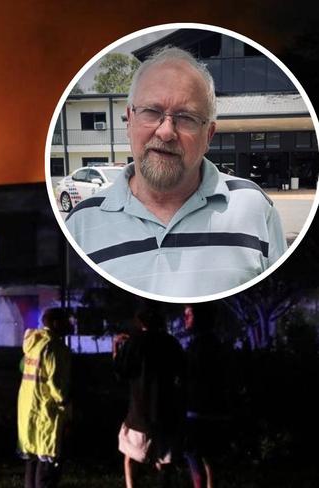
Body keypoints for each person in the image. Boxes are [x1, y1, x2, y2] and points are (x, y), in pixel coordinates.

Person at [66, 46, 287, 297]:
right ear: (129, 120)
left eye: (186, 117)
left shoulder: (255, 209)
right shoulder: (81, 225)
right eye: (152, 112)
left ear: (209, 135)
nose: (166, 132)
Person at [114, 305, 185, 488]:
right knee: (164, 461)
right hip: (166, 413)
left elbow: (120, 373)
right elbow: (183, 372)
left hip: (139, 414)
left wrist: (116, 349)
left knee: (130, 458)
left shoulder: (134, 343)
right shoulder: (171, 343)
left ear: (140, 322)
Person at [17, 308, 72, 488]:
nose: (70, 324)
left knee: (32, 462)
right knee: (47, 467)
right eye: (66, 321)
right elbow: (57, 386)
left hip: (29, 410)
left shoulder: (34, 343)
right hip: (47, 412)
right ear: (56, 323)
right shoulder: (55, 347)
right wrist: (66, 408)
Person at [182, 303, 231, 488]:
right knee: (210, 460)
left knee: (195, 457)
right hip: (216, 412)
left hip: (199, 413)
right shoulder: (216, 343)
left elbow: (191, 377)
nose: (185, 319)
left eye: (189, 315)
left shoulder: (198, 346)